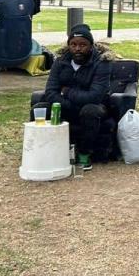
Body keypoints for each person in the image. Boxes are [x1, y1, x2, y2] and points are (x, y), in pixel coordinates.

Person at [36, 24, 111, 170]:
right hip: (67, 105)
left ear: (91, 46)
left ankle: (84, 154)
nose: (77, 48)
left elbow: (95, 96)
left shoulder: (101, 63)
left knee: (89, 110)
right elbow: (51, 91)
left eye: (83, 45)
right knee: (40, 108)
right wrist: (67, 103)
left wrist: (67, 92)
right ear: (69, 45)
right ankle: (44, 152)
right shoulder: (60, 61)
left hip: (95, 106)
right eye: (73, 44)